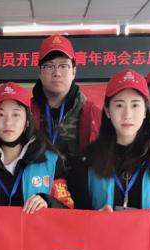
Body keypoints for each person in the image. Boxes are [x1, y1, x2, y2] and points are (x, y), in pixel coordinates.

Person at [66, 69, 150, 210]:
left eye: (135, 105)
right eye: (119, 105)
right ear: (108, 111)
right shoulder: (86, 161)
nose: (127, 115)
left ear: (145, 111)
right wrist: (94, 218)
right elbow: (75, 216)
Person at [0, 82, 65, 212]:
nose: (8, 122)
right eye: (0, 114)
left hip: (36, 227)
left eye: (16, 115)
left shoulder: (51, 161)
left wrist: (48, 201)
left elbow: (67, 207)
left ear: (27, 121)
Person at [30, 33, 101, 163]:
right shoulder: (25, 113)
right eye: (49, 66)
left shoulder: (93, 115)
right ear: (39, 71)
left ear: (74, 71)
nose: (57, 73)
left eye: (63, 66)